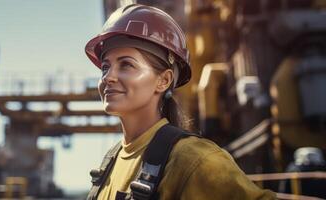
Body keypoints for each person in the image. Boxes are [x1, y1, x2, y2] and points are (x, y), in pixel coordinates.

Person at [84, 4, 276, 200]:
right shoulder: (110, 163)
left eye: (126, 65)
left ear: (163, 81)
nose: (108, 77)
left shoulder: (195, 160)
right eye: (105, 67)